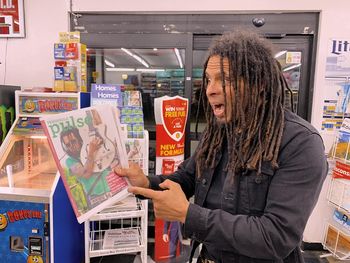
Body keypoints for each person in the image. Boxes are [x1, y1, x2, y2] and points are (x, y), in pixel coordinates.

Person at [115, 30, 328, 262]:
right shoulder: (218, 131)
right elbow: (187, 178)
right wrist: (146, 182)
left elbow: (275, 236)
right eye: (208, 79)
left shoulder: (300, 143)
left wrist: (189, 214)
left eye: (224, 80)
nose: (210, 89)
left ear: (260, 84)